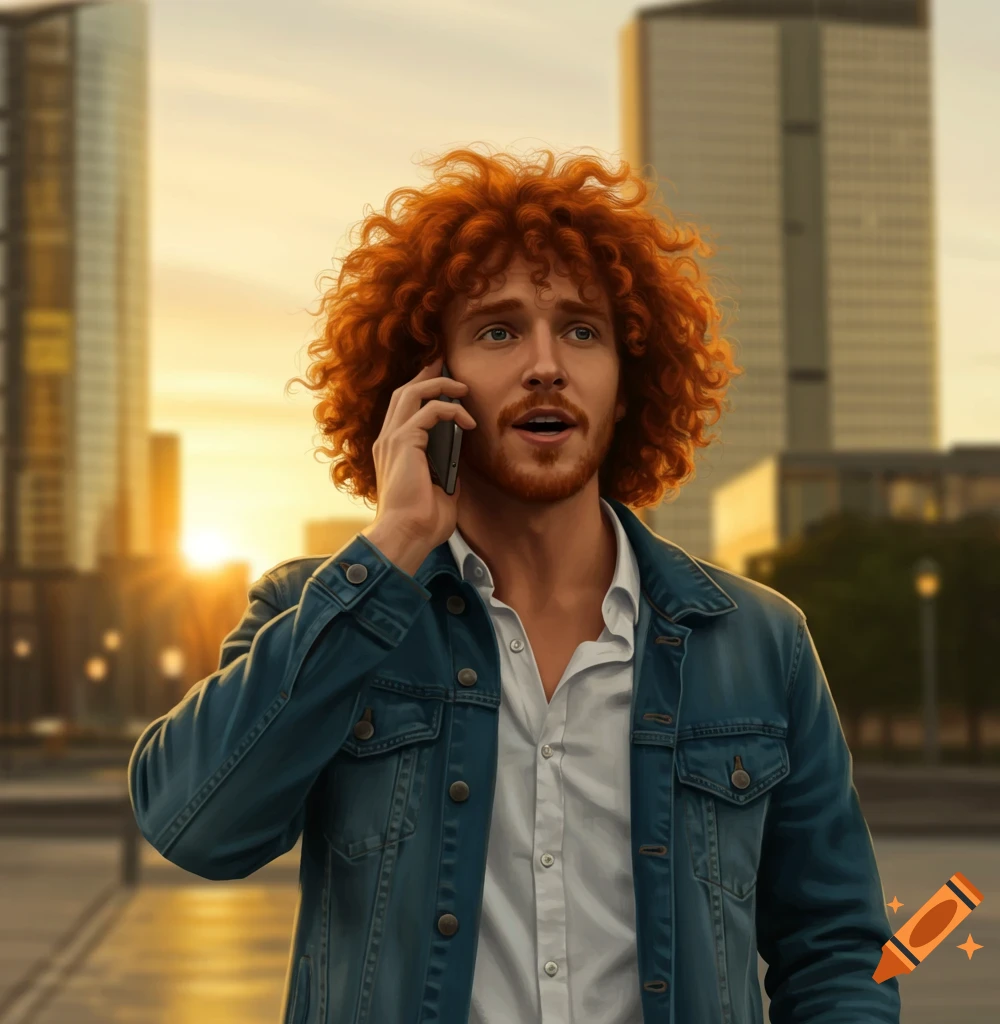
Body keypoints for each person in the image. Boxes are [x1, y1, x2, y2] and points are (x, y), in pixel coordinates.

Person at [128, 146, 900, 1023]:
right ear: (427, 384)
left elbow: (839, 944)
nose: (546, 364)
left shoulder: (759, 642)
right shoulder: (322, 613)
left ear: (626, 380)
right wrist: (395, 546)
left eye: (582, 330)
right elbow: (196, 828)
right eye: (498, 331)